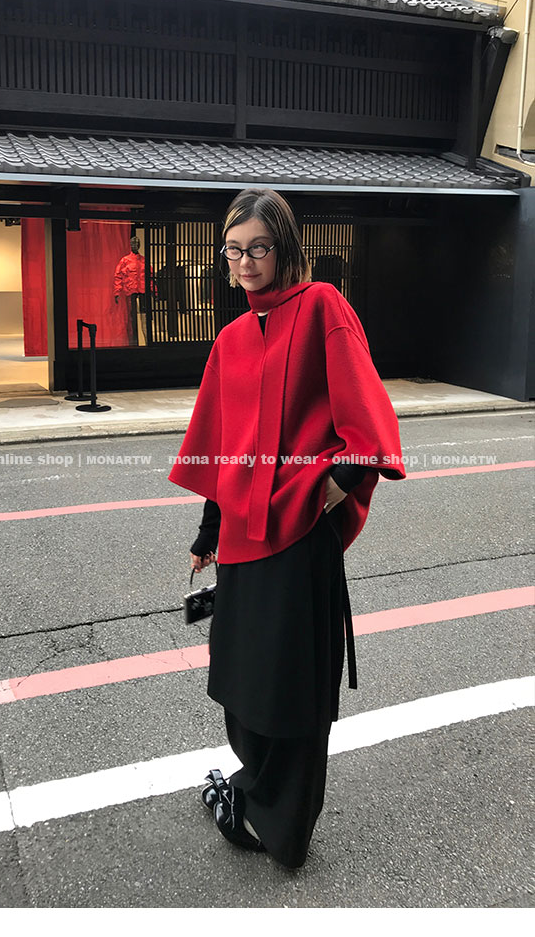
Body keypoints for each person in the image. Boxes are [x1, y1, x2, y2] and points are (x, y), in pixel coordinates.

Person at [168, 188, 406, 869]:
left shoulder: (322, 306)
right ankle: (255, 792)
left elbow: (367, 411)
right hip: (243, 542)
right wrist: (208, 531)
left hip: (300, 537)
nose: (245, 262)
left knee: (294, 685)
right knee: (243, 677)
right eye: (233, 250)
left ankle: (282, 825)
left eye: (258, 247)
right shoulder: (232, 338)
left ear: (285, 246)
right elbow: (223, 442)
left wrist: (338, 482)